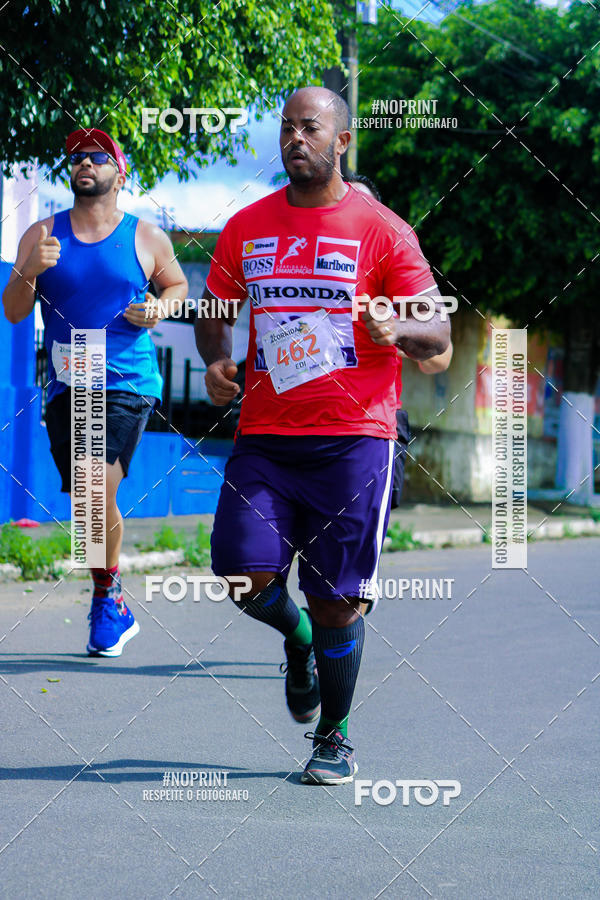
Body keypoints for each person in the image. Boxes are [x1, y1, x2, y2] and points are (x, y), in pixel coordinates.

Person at [195, 87, 450, 784]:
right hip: (266, 435)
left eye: (310, 127)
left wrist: (398, 326)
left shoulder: (383, 229)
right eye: (286, 127)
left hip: (355, 438)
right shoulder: (246, 226)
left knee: (337, 598)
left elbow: (438, 330)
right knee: (241, 573)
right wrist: (216, 360)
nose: (294, 138)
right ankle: (297, 637)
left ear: (342, 141)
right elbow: (216, 311)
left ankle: (333, 736)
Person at [2, 128, 188, 657]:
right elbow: (14, 310)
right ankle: (110, 594)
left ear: (119, 174)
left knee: (93, 484)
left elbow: (177, 286)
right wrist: (28, 270)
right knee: (88, 499)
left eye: (99, 157)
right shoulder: (41, 234)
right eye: (78, 158)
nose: (86, 163)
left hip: (127, 380)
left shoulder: (146, 236)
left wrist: (159, 308)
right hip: (68, 382)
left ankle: (106, 600)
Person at [347, 174, 453, 506]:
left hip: (374, 428)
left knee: (358, 531)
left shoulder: (395, 277)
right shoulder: (313, 272)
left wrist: (395, 333)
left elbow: (441, 358)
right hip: (299, 429)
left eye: (365, 207)